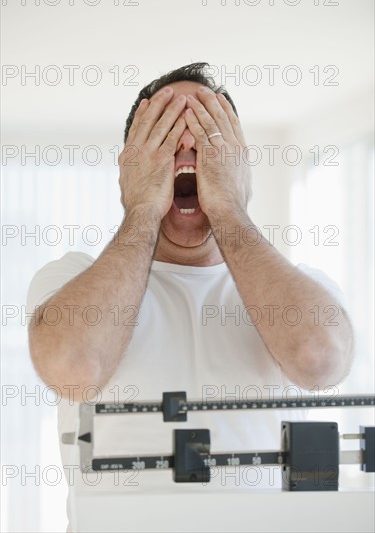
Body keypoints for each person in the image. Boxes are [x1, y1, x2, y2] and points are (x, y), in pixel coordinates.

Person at [26, 62, 353, 527]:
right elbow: (74, 369)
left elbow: (321, 362)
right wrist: (141, 208)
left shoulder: (301, 284)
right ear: (130, 163)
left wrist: (229, 209)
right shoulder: (70, 277)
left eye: (207, 132)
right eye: (164, 133)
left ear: (238, 161)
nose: (186, 146)